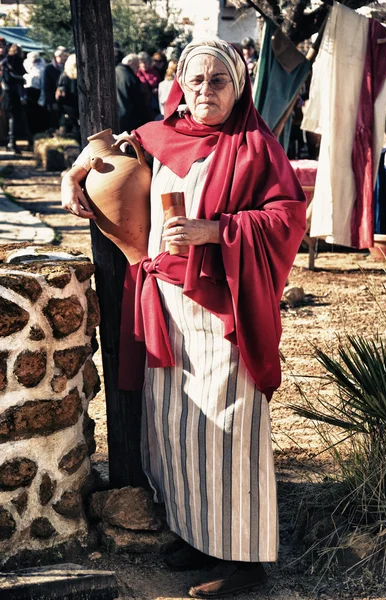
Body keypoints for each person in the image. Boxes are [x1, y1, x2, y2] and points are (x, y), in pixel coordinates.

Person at [61, 38, 306, 598]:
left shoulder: (254, 147)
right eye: (195, 80)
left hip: (223, 309)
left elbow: (287, 218)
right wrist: (73, 173)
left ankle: (246, 561)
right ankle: (199, 536)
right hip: (166, 306)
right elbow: (107, 145)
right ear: (179, 82)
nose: (204, 90)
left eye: (218, 80)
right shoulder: (161, 134)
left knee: (228, 425)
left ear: (238, 86)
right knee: (177, 427)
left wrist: (214, 231)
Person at [1, 44, 32, 153]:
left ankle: (11, 142)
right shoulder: (14, 62)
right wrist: (21, 80)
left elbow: (5, 79)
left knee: (10, 118)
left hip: (8, 93)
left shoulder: (6, 62)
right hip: (14, 94)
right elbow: (13, 78)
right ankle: (12, 142)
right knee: (13, 118)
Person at [115, 53, 153, 133]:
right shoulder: (130, 77)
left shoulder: (114, 73)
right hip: (130, 121)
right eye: (137, 66)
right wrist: (148, 121)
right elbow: (140, 102)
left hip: (116, 119)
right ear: (130, 62)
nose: (137, 69)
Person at [39, 46, 69, 131]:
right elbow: (45, 87)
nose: (65, 58)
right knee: (53, 121)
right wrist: (52, 102)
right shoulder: (48, 68)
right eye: (64, 56)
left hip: (63, 99)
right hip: (51, 100)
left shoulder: (66, 67)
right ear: (58, 56)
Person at [56, 53, 80, 141]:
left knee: (73, 127)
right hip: (79, 105)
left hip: (68, 106)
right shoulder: (82, 75)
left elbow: (60, 92)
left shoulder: (64, 75)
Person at [23, 52, 48, 137]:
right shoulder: (25, 64)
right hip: (28, 93)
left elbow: (43, 84)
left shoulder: (42, 66)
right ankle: (32, 135)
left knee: (39, 115)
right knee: (30, 116)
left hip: (38, 92)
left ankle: (39, 135)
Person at [136, 51, 162, 118]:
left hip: (155, 102)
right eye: (141, 62)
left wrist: (157, 89)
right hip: (143, 103)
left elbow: (159, 84)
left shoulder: (154, 71)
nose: (143, 64)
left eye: (145, 62)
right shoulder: (137, 73)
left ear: (149, 62)